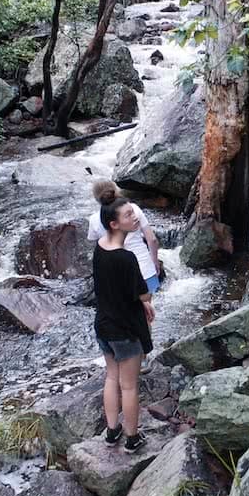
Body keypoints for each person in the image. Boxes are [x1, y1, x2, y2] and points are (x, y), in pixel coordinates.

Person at [93, 197, 155, 453]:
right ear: (114, 223)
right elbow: (144, 295)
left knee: (111, 377)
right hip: (125, 330)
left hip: (104, 324)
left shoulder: (99, 246)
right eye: (129, 215)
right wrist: (146, 302)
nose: (135, 217)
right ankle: (131, 437)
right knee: (129, 385)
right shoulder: (126, 258)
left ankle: (112, 431)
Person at [87, 180, 161, 373]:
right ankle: (143, 356)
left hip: (114, 278)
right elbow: (151, 238)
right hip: (144, 268)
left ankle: (121, 356)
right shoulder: (132, 209)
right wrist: (155, 261)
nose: (131, 216)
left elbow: (95, 244)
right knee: (145, 315)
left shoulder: (96, 219)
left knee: (122, 312)